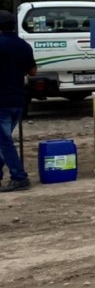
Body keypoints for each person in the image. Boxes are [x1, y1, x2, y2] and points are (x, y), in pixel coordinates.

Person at [0, 10, 37, 193]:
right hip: (17, 100)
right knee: (3, 141)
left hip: (1, 100)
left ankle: (19, 177)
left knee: (4, 143)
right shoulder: (24, 45)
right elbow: (33, 72)